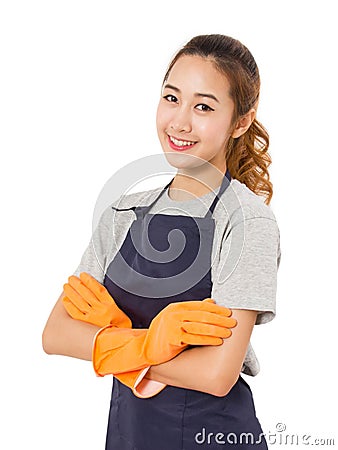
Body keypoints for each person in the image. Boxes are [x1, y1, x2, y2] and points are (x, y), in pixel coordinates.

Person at [42, 34, 281, 449]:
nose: (180, 122)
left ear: (240, 122)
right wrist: (150, 342)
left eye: (203, 107)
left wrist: (113, 346)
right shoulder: (122, 212)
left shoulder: (247, 221)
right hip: (129, 435)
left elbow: (217, 375)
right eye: (171, 98)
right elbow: (56, 334)